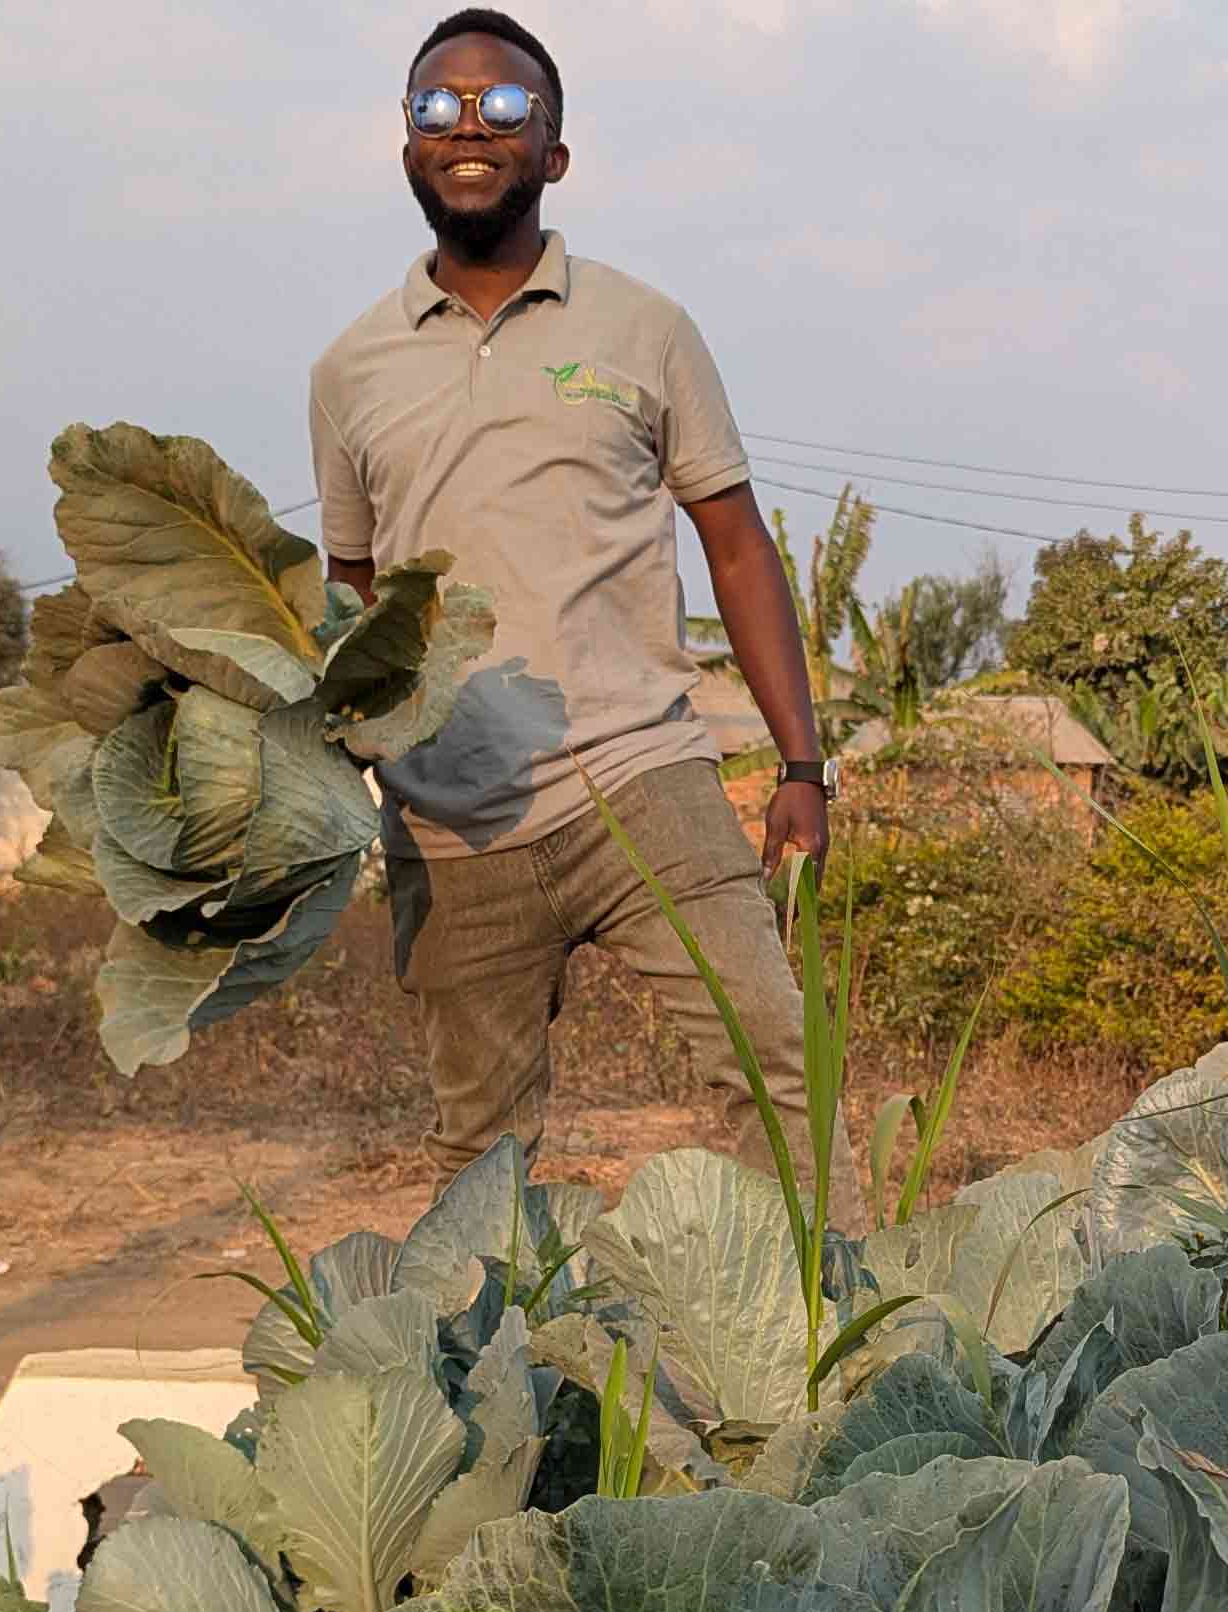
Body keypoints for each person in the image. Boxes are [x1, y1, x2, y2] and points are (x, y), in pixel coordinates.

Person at [308, 7, 860, 1220]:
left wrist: (802, 764)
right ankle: (510, 1397)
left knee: (775, 1064)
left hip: (641, 776)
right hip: (454, 828)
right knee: (481, 1159)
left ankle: (832, 1362)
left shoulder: (644, 328)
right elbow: (350, 599)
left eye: (504, 107)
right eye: (436, 106)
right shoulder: (349, 371)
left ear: (553, 152)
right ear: (406, 147)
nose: (468, 125)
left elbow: (736, 543)